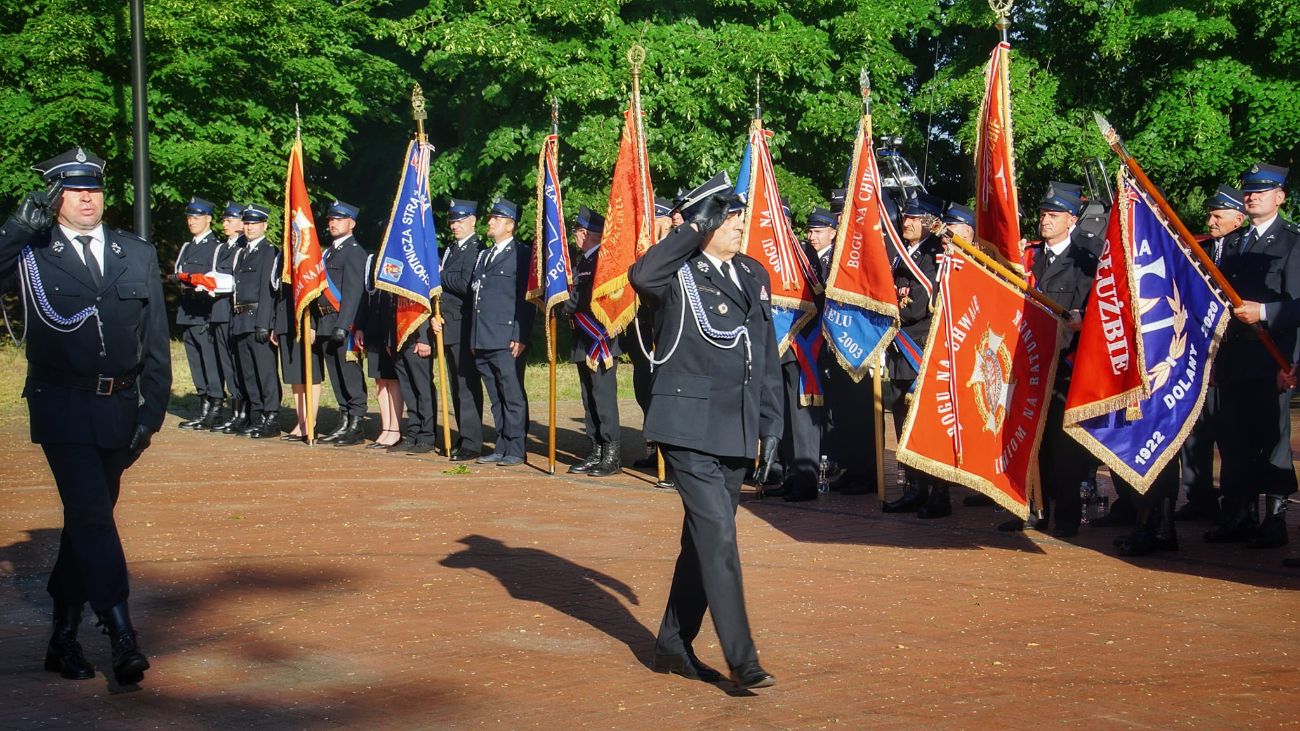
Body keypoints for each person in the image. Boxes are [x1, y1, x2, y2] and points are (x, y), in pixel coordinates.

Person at [0, 147, 170, 685]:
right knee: (95, 516)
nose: (86, 198)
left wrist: (154, 411)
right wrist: (13, 229)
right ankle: (121, 633)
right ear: (55, 199)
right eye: (74, 191)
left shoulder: (133, 252)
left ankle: (61, 639)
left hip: (121, 408)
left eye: (93, 189)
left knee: (83, 525)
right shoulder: (33, 250)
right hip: (63, 405)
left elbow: (156, 337)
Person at [629, 172, 781, 690]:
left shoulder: (753, 274)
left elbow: (764, 356)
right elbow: (641, 276)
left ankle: (672, 644)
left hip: (736, 428)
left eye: (739, 219)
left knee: (701, 542)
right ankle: (743, 658)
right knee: (718, 535)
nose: (740, 227)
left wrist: (771, 423)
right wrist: (690, 229)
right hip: (688, 426)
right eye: (731, 219)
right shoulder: (678, 273)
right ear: (707, 223)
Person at [1209, 163, 1300, 549]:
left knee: (1271, 439)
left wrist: (1264, 314)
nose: (1252, 196)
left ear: (1280, 197)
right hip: (1233, 356)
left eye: (1261, 191)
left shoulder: (1292, 243)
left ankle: (1274, 518)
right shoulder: (1237, 242)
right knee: (1234, 440)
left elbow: (1298, 305)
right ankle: (1239, 514)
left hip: (1271, 356)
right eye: (1248, 190)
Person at [1000, 184, 1098, 537]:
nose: (1045, 220)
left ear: (1071, 219)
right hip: (1027, 362)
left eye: (1053, 215)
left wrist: (1078, 320)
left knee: (1063, 448)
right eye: (1042, 214)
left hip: (1064, 364)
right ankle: (1029, 508)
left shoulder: (1086, 259)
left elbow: (1092, 313)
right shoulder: (1028, 258)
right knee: (1027, 441)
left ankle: (1066, 517)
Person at [1175, 185, 1247, 521]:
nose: (1211, 220)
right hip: (1195, 354)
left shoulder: (1241, 250)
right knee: (1194, 433)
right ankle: (1199, 497)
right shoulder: (1198, 248)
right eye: (1210, 214)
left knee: (1231, 436)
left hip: (1232, 356)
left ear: (1238, 219)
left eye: (1218, 215)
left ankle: (1235, 505)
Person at [882, 193, 948, 517]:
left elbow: (919, 304)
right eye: (905, 217)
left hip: (919, 350)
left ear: (929, 221)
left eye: (913, 218)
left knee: (926, 426)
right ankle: (914, 487)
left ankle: (939, 493)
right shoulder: (901, 254)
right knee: (902, 425)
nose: (906, 222)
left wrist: (884, 310)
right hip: (899, 352)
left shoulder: (933, 255)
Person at [469, 199, 534, 466]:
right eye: (491, 218)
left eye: (496, 219)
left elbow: (525, 300)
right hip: (483, 337)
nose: (490, 222)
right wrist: (474, 336)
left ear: (510, 225)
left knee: (512, 394)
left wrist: (520, 335)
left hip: (506, 337)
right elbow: (477, 299)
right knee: (496, 396)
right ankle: (501, 444)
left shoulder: (521, 254)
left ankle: (516, 448)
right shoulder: (484, 255)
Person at [563, 206, 623, 477]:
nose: (575, 236)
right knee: (588, 398)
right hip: (582, 339)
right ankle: (596, 449)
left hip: (601, 340)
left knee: (603, 397)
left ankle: (611, 453)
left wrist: (562, 305)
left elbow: (587, 296)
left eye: (577, 231)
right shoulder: (581, 261)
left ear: (584, 233)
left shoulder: (602, 261)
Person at [314, 201, 369, 446]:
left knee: (350, 375)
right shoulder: (328, 253)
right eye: (331, 219)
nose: (333, 223)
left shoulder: (355, 251)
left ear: (352, 223)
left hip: (342, 324)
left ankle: (356, 424)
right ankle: (344, 420)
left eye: (339, 219)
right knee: (335, 376)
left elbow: (354, 291)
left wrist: (345, 324)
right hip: (326, 320)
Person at [438, 198, 486, 461]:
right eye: (452, 221)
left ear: (472, 221)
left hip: (463, 325)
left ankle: (472, 441)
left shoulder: (475, 249)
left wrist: (440, 275)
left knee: (467, 385)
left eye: (459, 221)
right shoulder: (452, 249)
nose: (454, 226)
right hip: (448, 324)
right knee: (456, 385)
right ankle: (464, 435)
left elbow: (467, 284)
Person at [230, 204, 281, 438]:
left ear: (265, 226)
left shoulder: (269, 251)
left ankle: (271, 415)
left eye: (254, 223)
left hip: (257, 319)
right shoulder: (242, 251)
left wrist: (265, 323)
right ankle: (257, 412)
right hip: (240, 318)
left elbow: (267, 290)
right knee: (248, 372)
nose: (250, 227)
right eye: (247, 223)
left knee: (265, 371)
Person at [173, 197, 223, 429]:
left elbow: (215, 279)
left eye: (196, 217)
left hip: (204, 311)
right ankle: (203, 403)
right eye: (189, 218)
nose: (191, 222)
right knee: (195, 361)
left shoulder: (215, 247)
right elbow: (177, 272)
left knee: (209, 361)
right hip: (187, 310)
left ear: (208, 219)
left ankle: (215, 405)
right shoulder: (187, 246)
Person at [358, 251, 404, 448]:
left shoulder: (402, 255)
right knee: (380, 382)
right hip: (373, 326)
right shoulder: (373, 258)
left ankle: (395, 429)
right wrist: (360, 326)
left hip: (391, 327)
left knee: (392, 380)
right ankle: (386, 428)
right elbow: (366, 295)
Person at [208, 202, 246, 432]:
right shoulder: (222, 248)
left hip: (234, 312)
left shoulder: (242, 247)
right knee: (226, 363)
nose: (224, 224)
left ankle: (243, 409)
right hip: (219, 311)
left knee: (237, 363)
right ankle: (235, 409)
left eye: (229, 220)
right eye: (224, 220)